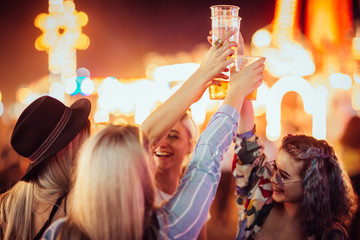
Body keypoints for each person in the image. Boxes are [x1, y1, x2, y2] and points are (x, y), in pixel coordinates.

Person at [41, 31, 265, 240]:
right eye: (144, 152)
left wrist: (203, 76)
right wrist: (234, 90)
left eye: (174, 136)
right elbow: (205, 159)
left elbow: (148, 135)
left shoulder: (58, 231)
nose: (155, 146)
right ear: (136, 176)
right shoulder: (168, 227)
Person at [232, 100, 358, 240]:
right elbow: (246, 140)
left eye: (284, 176)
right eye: (275, 167)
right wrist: (245, 90)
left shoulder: (328, 235)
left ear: (312, 183)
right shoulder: (260, 196)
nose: (274, 179)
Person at [0, 96, 91, 240]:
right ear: (66, 149)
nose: (88, 145)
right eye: (83, 137)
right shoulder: (78, 208)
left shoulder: (7, 206)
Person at [153, 110, 210, 239]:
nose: (162, 144)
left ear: (190, 145)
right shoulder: (140, 194)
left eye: (173, 136)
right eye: (158, 136)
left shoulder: (195, 193)